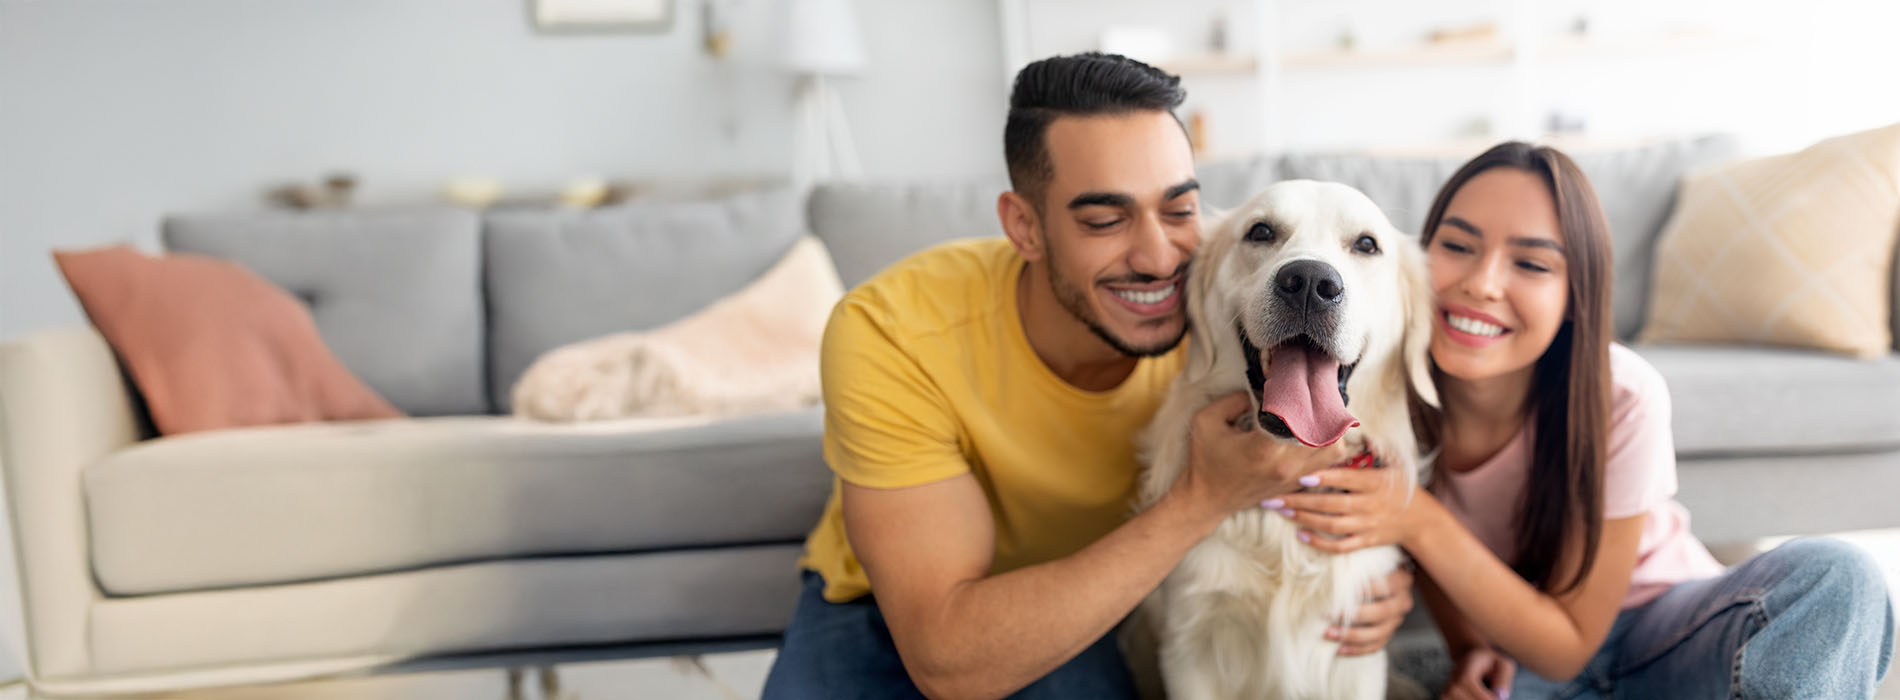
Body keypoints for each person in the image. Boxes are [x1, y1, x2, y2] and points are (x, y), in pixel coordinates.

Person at [761, 52, 1415, 699]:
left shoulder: (1224, 306)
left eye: (1180, 209)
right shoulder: (890, 330)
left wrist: (1385, 547)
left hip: (1105, 591)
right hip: (891, 603)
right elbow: (948, 658)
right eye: (1104, 220)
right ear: (1026, 227)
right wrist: (1203, 496)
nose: (1160, 259)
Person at [1272, 141, 1896, 699]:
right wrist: (1467, 651)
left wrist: (1414, 515)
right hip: (1528, 672)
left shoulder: (1622, 393)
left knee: (1839, 577)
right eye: (1458, 247)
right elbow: (1405, 549)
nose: (1484, 283)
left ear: (1575, 296)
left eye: (1533, 264)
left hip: (1669, 632)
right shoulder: (1371, 387)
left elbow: (1569, 642)